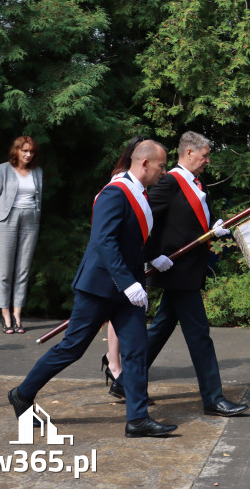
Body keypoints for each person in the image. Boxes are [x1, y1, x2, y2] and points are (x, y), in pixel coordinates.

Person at [7, 139, 178, 438]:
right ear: (145, 163)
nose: (164, 172)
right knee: (72, 348)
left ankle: (137, 419)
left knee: (137, 350)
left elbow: (136, 235)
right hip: (100, 287)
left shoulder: (140, 194)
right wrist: (129, 284)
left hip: (127, 291)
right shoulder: (114, 192)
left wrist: (154, 256)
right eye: (162, 166)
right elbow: (105, 242)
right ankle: (22, 394)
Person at [112, 131, 248, 417]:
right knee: (200, 336)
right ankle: (213, 398)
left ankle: (124, 382)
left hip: (189, 269)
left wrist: (215, 226)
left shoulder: (196, 183)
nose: (208, 161)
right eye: (204, 155)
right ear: (188, 153)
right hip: (175, 270)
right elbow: (141, 220)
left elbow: (192, 221)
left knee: (161, 328)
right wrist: (151, 256)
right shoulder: (170, 181)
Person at [100, 136, 148, 397]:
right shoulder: (120, 184)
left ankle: (136, 409)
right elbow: (108, 236)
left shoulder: (139, 184)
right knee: (73, 345)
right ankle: (114, 363)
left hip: (129, 264)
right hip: (115, 268)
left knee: (132, 332)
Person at [0, 135, 43, 334]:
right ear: (16, 151)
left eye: (31, 151)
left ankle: (18, 315)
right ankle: (5, 315)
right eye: (24, 150)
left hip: (30, 221)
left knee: (23, 270)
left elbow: (39, 198)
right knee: (5, 271)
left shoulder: (37, 172)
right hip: (6, 220)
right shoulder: (3, 169)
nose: (28, 155)